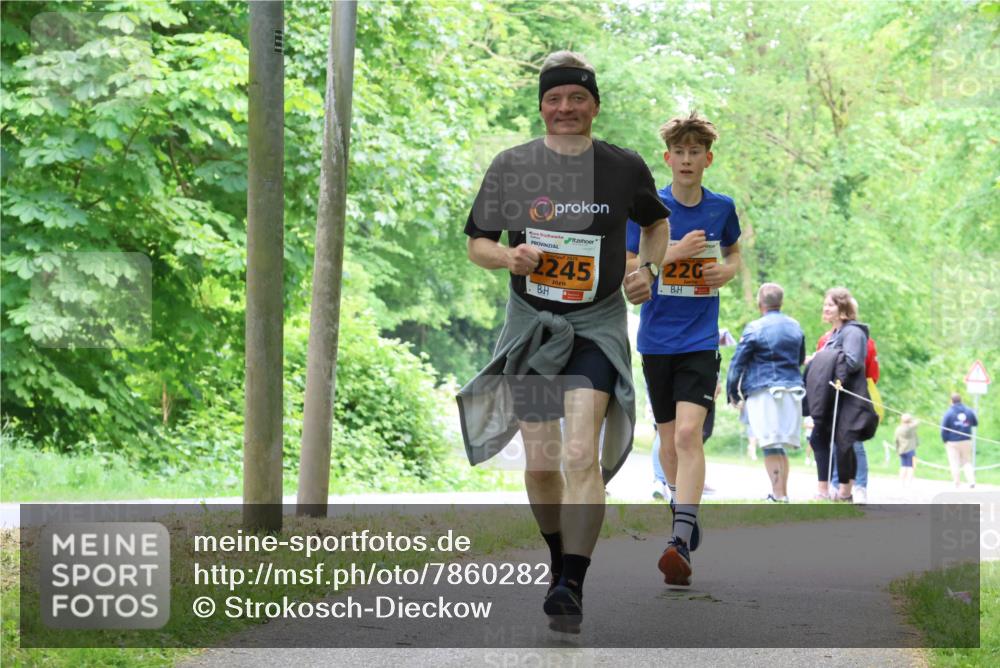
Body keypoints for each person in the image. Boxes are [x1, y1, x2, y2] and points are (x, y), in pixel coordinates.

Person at [457, 50, 670, 633]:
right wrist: (507, 255)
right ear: (542, 106)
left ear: (595, 106)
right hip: (532, 325)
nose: (566, 108)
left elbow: (656, 224)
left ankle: (573, 580)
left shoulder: (623, 166)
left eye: (577, 98)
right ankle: (558, 559)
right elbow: (478, 241)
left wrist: (646, 270)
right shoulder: (512, 165)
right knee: (543, 460)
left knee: (581, 454)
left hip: (595, 326)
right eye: (555, 98)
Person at [623, 111, 742, 586]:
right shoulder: (652, 209)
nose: (687, 160)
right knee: (668, 439)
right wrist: (673, 252)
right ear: (667, 158)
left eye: (696, 152)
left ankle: (677, 539)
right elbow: (632, 265)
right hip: (656, 340)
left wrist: (725, 272)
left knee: (690, 434)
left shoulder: (721, 207)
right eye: (680, 152)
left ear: (708, 159)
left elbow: (733, 253)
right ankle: (684, 512)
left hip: (698, 338)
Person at [726, 283, 806, 503]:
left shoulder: (755, 327)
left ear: (760, 303)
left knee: (770, 445)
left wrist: (732, 391)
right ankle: (782, 493)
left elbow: (738, 363)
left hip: (764, 391)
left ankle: (778, 495)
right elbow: (799, 360)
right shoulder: (795, 326)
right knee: (779, 445)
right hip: (792, 389)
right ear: (780, 302)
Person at [803, 288, 879, 503]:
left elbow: (853, 361)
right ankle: (823, 490)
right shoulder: (832, 336)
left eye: (831, 305)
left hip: (848, 396)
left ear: (843, 308)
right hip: (828, 396)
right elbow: (833, 358)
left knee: (844, 444)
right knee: (818, 439)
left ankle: (846, 492)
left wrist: (823, 358)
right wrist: (817, 360)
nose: (825, 308)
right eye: (825, 304)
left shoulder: (853, 332)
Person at [941, 393, 979, 488]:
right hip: (966, 440)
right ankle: (971, 481)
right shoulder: (969, 411)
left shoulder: (949, 413)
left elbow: (943, 429)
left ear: (951, 401)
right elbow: (975, 423)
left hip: (952, 442)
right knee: (967, 461)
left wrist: (945, 440)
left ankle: (956, 483)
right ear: (961, 400)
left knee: (954, 462)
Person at [894, 413, 919, 488]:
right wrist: (913, 420)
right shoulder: (911, 428)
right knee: (911, 467)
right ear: (910, 421)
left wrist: (897, 450)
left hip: (902, 450)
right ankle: (909, 483)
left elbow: (896, 440)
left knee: (903, 466)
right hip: (910, 450)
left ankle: (901, 482)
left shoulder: (898, 429)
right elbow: (917, 422)